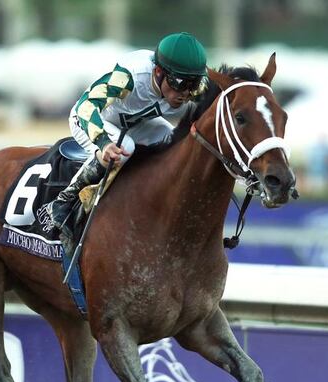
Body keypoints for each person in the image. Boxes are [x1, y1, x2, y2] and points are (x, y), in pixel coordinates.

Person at [45, 32, 208, 244]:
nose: (186, 93)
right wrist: (103, 142)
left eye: (193, 84)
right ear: (158, 72)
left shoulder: (188, 88)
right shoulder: (130, 76)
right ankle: (64, 201)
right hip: (90, 119)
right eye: (180, 83)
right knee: (125, 148)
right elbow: (87, 106)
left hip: (130, 124)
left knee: (171, 136)